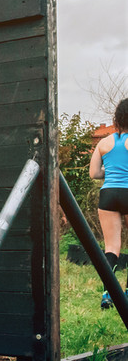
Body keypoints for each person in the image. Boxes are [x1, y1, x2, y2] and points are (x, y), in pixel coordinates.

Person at [91, 98, 128, 309]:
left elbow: (94, 173)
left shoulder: (104, 143)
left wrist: (113, 172)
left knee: (111, 247)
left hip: (109, 194)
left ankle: (107, 294)